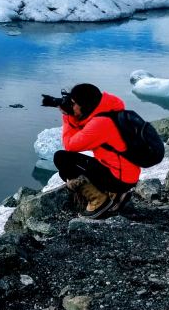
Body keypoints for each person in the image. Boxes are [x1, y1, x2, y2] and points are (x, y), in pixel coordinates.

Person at [51, 83, 138, 218]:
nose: (71, 106)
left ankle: (98, 200)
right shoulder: (109, 112)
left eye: (73, 103)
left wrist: (68, 116)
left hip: (119, 178)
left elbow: (70, 145)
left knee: (62, 159)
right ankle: (115, 193)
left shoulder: (101, 123)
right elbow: (85, 127)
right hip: (125, 173)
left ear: (85, 105)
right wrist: (74, 113)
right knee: (74, 165)